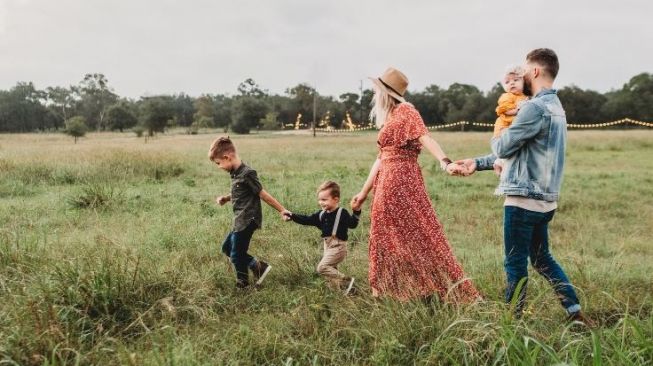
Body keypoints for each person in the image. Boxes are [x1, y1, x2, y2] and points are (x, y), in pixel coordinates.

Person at [452, 49, 592, 324]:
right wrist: (477, 163)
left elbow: (503, 146)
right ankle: (574, 313)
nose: (523, 75)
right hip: (545, 200)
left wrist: (499, 129)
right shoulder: (556, 108)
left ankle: (511, 324)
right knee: (542, 260)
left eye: (526, 70)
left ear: (536, 72)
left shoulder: (533, 107)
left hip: (523, 200)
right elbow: (521, 152)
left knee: (515, 263)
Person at [350, 67, 480, 302]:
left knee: (418, 234)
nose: (373, 94)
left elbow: (425, 137)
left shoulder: (406, 111)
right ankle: (389, 291)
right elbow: (380, 158)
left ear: (385, 92)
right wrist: (363, 192)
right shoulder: (390, 117)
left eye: (376, 90)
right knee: (384, 236)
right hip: (386, 180)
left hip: (401, 180)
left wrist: (445, 162)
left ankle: (425, 288)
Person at [209, 136, 288, 289]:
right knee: (227, 248)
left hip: (248, 220)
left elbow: (262, 194)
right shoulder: (235, 174)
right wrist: (226, 198)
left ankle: (243, 284)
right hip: (239, 220)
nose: (219, 167)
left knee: (237, 254)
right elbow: (242, 193)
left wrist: (282, 210)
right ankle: (258, 267)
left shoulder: (247, 173)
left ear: (227, 157)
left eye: (218, 163)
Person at [283, 181, 360, 295]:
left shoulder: (341, 213)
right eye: (319, 200)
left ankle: (347, 281)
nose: (321, 202)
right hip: (327, 246)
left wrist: (356, 211)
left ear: (336, 199)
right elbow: (306, 220)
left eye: (324, 200)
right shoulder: (321, 214)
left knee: (322, 267)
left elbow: (353, 224)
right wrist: (292, 215)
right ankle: (345, 291)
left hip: (338, 246)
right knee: (331, 274)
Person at [493, 66, 529, 175]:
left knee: (515, 148)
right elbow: (506, 110)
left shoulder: (524, 96)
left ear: (524, 82)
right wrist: (518, 109)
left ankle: (500, 162)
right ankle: (499, 163)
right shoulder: (507, 96)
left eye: (516, 80)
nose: (512, 83)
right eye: (507, 82)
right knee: (508, 144)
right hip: (504, 126)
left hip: (513, 126)